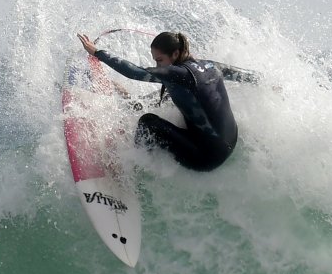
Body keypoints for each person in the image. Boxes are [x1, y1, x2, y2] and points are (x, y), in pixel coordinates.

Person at [77, 31, 259, 172]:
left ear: (176, 54)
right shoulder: (210, 65)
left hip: (207, 157)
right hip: (230, 142)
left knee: (147, 122)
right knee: (169, 97)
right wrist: (272, 84)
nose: (158, 66)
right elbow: (245, 76)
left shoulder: (180, 75)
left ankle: (133, 168)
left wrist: (97, 52)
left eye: (160, 60)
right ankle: (132, 102)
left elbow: (134, 72)